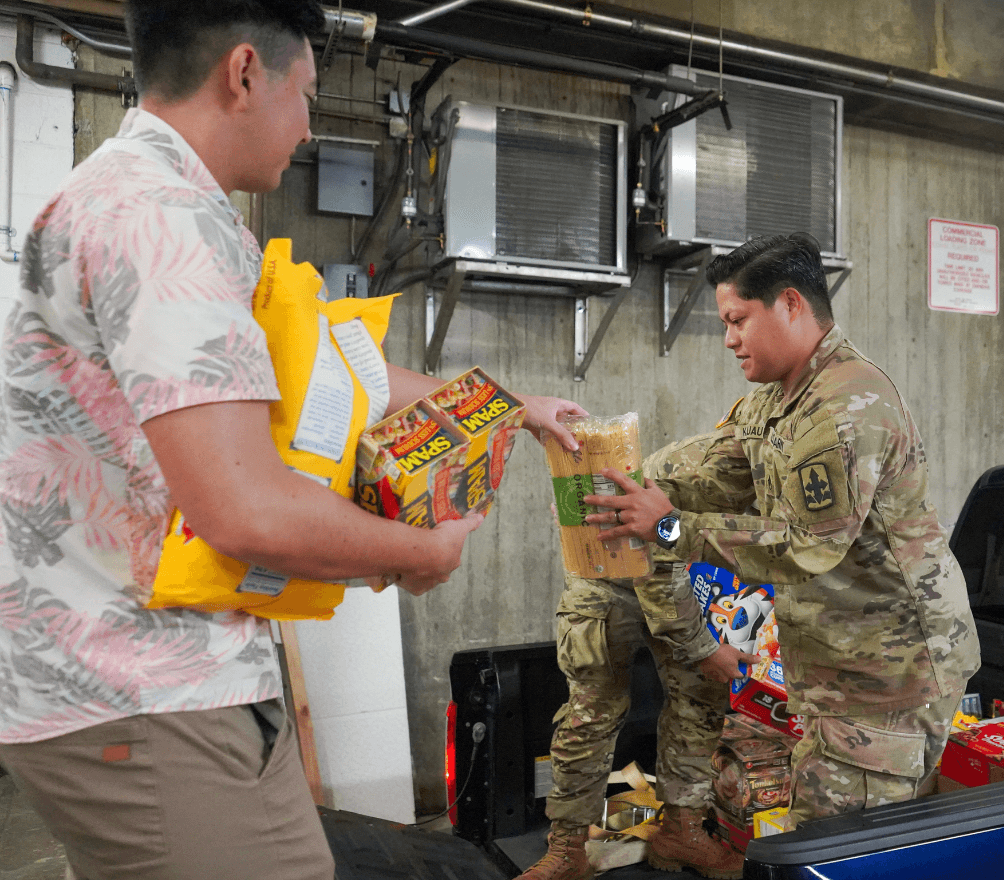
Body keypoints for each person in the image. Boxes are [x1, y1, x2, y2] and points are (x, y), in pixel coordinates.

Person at [0, 3, 583, 879]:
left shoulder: (155, 201)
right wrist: (417, 553)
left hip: (152, 683)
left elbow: (333, 381)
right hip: (147, 693)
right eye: (306, 93)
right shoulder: (163, 221)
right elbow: (246, 509)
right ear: (243, 74)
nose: (311, 126)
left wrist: (510, 407)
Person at [584, 233, 981, 828]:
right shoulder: (776, 399)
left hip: (887, 675)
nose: (728, 338)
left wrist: (667, 528)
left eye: (738, 319)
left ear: (790, 304)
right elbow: (711, 466)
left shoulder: (845, 410)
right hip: (836, 661)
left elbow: (808, 548)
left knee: (841, 847)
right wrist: (608, 471)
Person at [519, 432, 754, 880]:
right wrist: (703, 649)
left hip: (677, 576)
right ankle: (567, 850)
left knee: (700, 696)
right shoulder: (704, 478)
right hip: (607, 576)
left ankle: (681, 833)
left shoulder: (774, 472)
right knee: (593, 708)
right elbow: (661, 571)